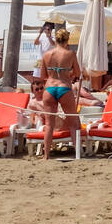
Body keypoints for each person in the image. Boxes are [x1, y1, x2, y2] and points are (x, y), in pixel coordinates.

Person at [38, 28, 81, 160]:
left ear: (55, 40)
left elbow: (43, 76)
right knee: (73, 123)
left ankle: (46, 155)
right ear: (67, 41)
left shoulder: (47, 54)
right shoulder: (71, 54)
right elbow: (78, 73)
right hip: (64, 87)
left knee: (49, 124)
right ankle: (77, 153)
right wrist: (68, 75)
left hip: (50, 88)